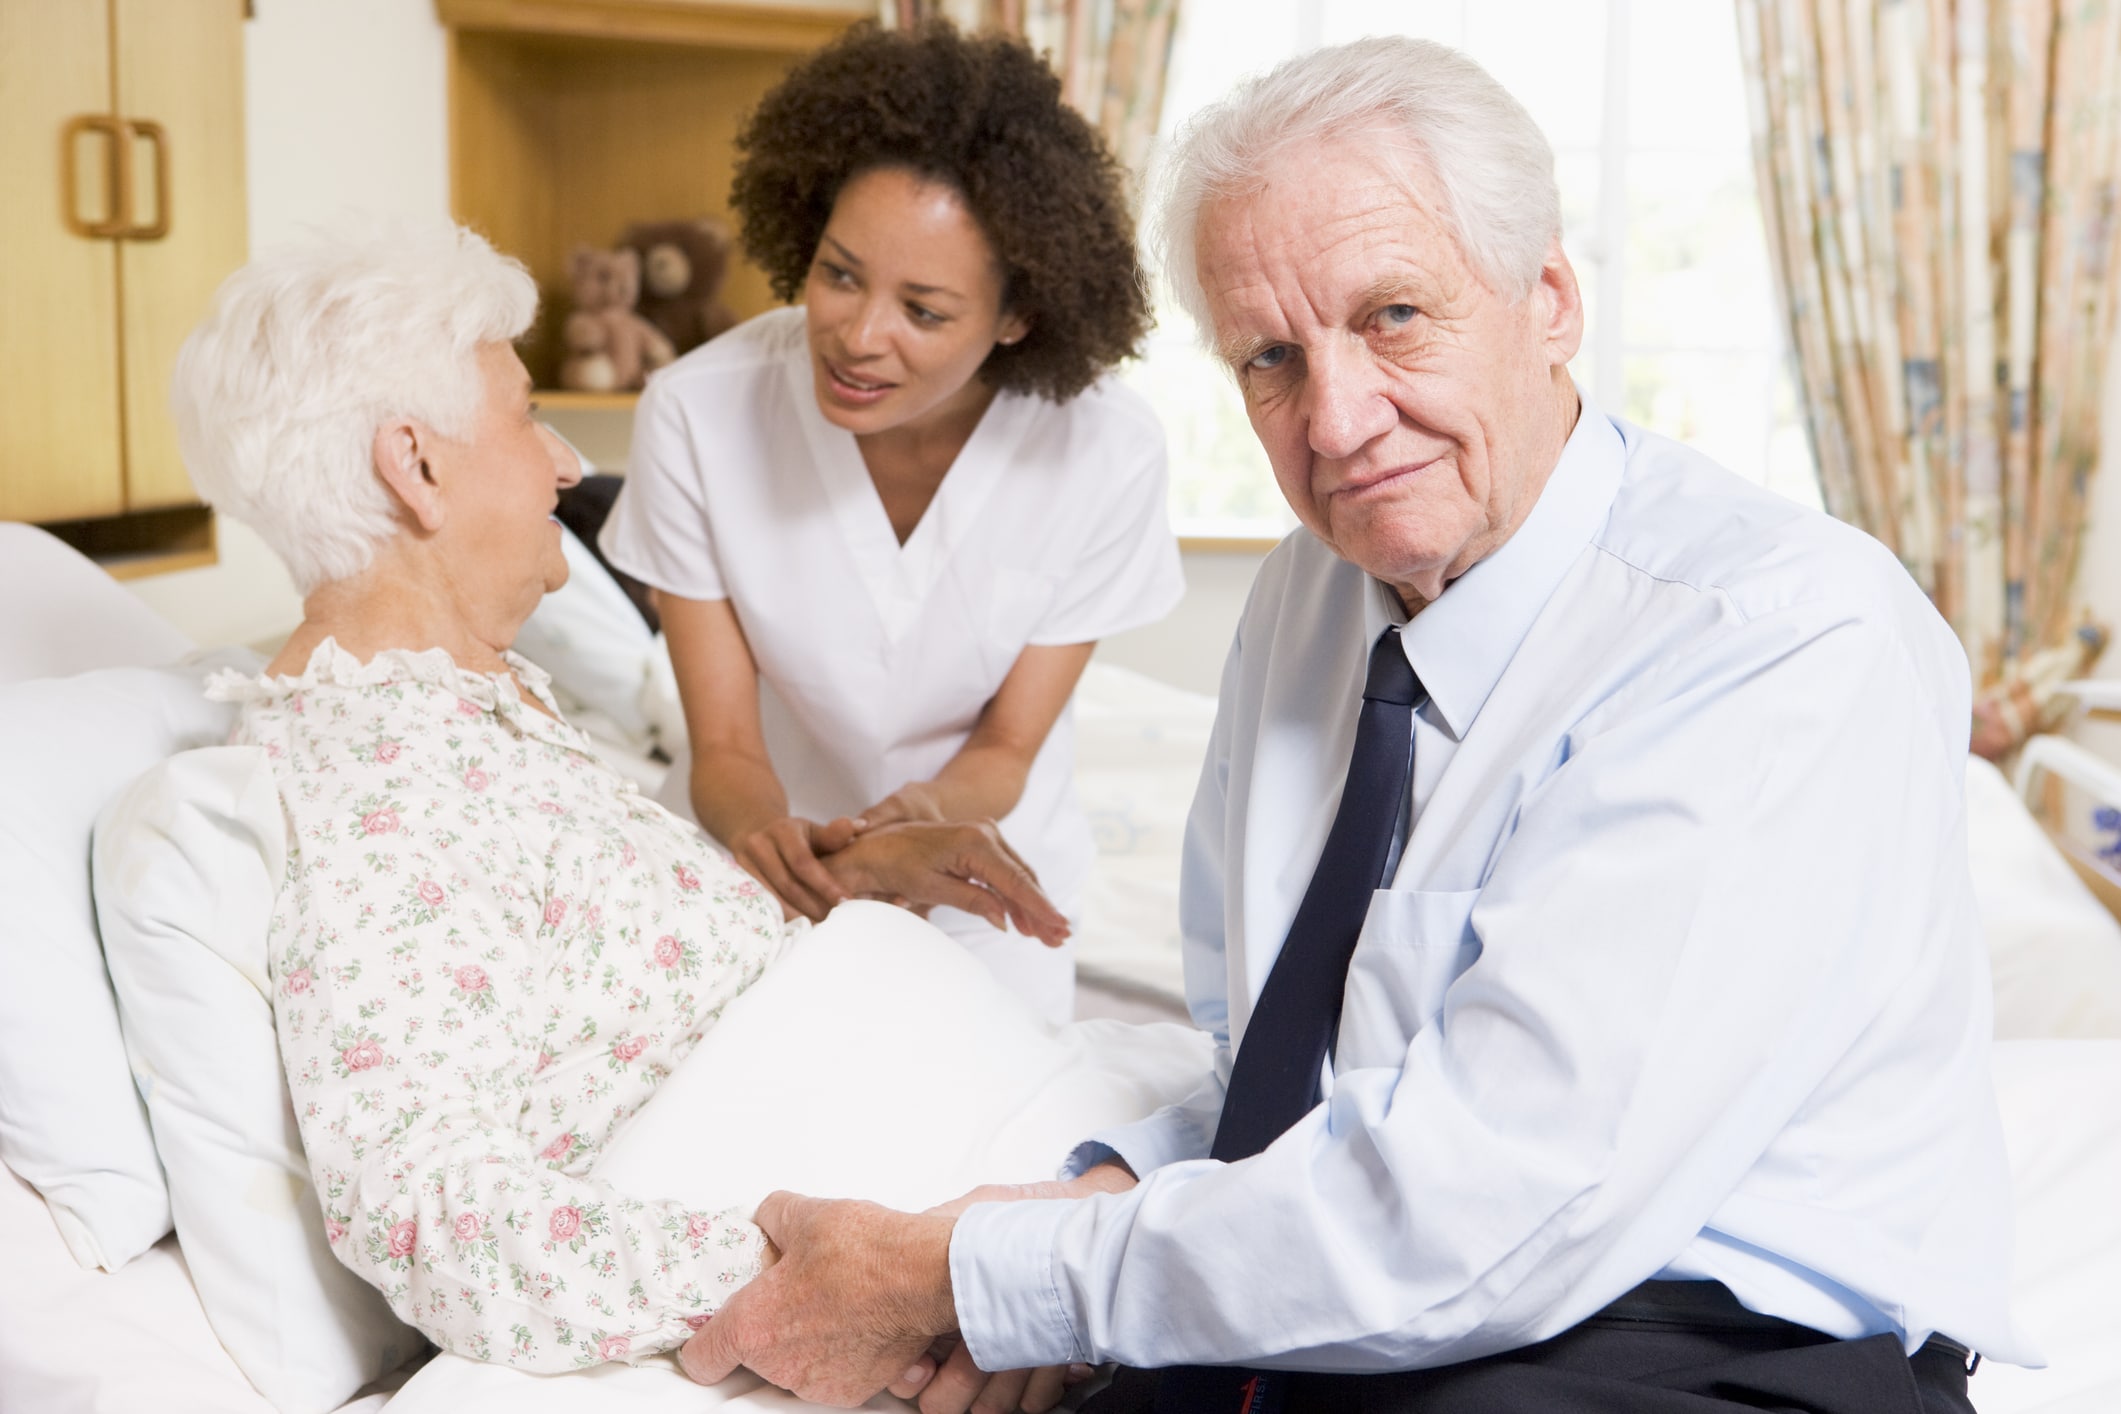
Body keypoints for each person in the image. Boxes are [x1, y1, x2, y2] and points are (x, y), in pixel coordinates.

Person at [675, 36, 2034, 1414]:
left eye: (1392, 317)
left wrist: (974, 1269)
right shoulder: (1311, 599)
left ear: (1549, 299)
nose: (1336, 420)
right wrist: (1097, 1197)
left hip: (1702, 1347)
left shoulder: (1773, 636)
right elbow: (1297, 1069)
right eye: (1270, 358)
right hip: (1379, 1301)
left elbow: (1496, 1200)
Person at [166, 222, 1069, 1374]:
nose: (561, 463)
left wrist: (840, 881)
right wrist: (867, 1284)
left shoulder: (476, 716)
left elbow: (602, 973)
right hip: (936, 1248)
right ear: (417, 464)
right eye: (524, 411)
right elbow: (445, 1225)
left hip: (1009, 1155)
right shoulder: (376, 792)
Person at [599, 20, 1186, 1023]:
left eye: (923, 309)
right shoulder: (698, 413)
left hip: (976, 867)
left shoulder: (1106, 453)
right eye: (839, 274)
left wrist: (911, 824)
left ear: (1017, 317)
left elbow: (1007, 747)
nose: (859, 338)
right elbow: (728, 749)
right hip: (755, 853)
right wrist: (795, 849)